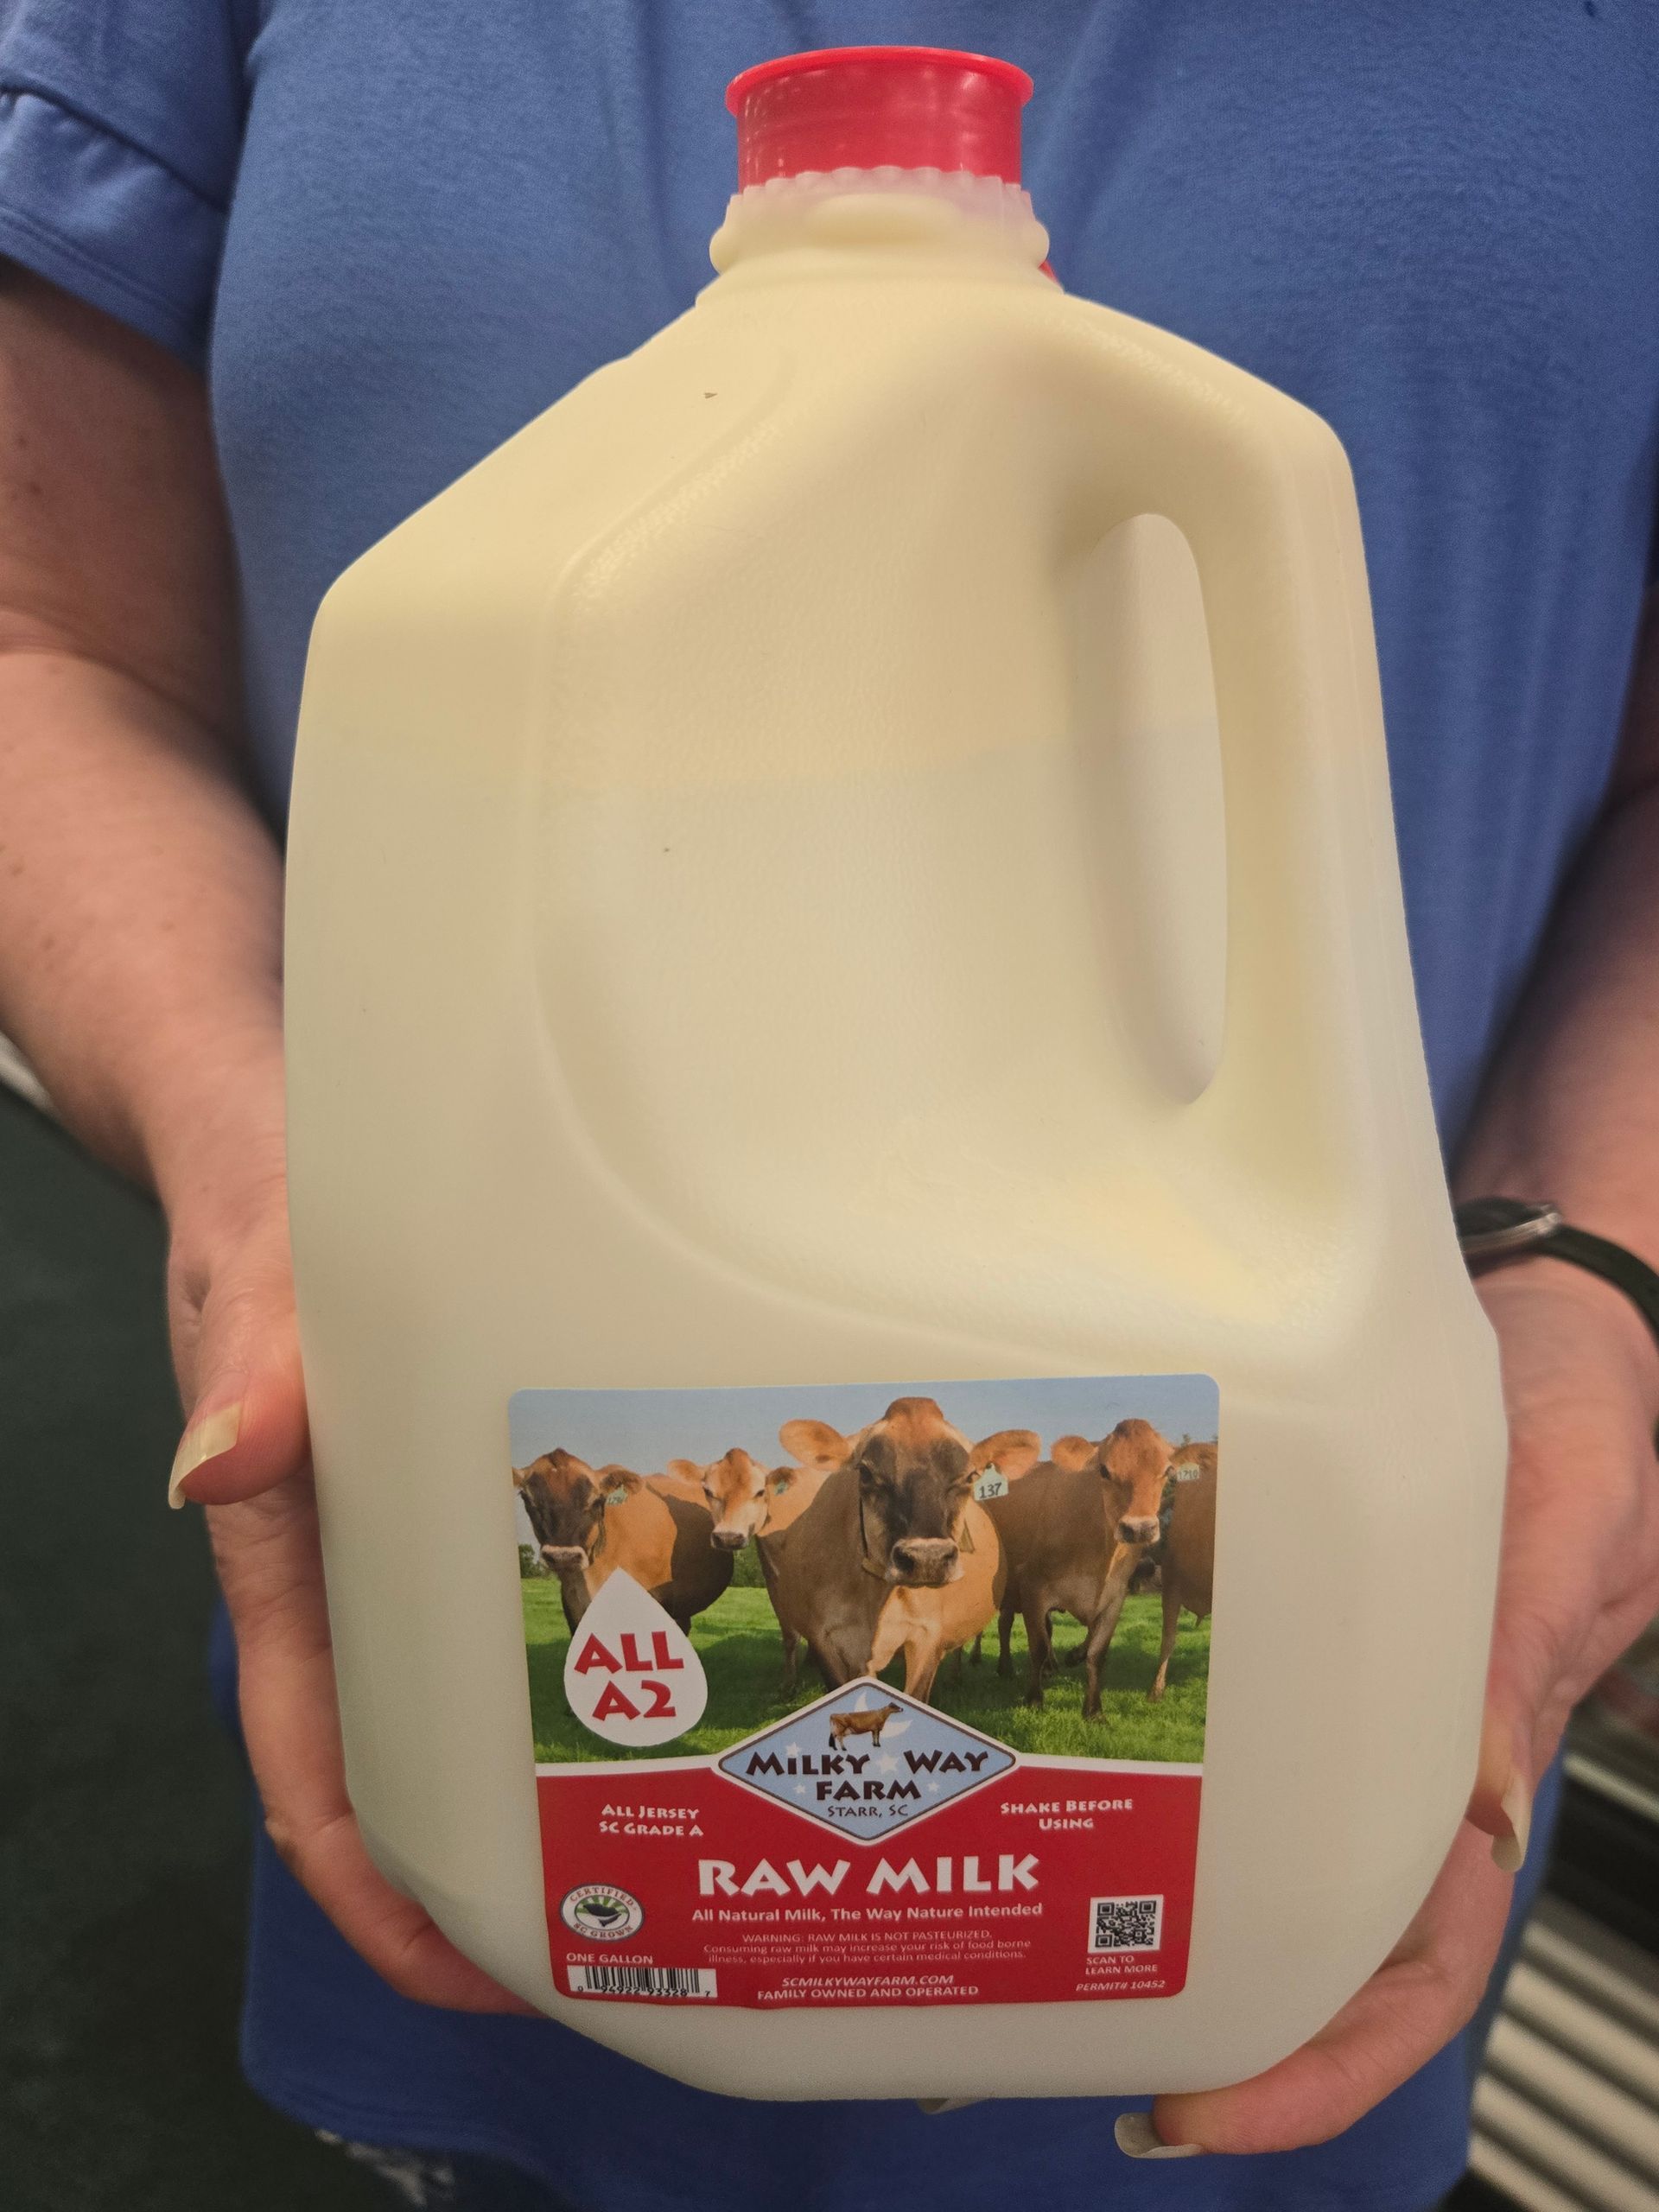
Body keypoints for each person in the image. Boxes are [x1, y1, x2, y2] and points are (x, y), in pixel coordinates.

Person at [1, 4, 1656, 2208]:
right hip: (473, 1744)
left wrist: (1597, 1284)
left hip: (1341, 1676)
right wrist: (260, 1174)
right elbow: (46, 638)